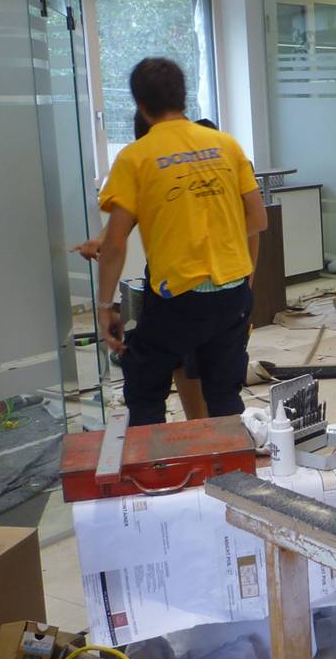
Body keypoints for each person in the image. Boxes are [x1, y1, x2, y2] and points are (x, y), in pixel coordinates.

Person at [91, 57, 267, 425]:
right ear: (184, 98)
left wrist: (105, 306)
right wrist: (217, 239)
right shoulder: (226, 145)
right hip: (233, 292)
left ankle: (156, 459)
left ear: (140, 103)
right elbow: (258, 219)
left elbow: (115, 243)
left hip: (180, 296)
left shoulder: (135, 156)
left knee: (144, 385)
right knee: (224, 393)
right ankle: (233, 458)